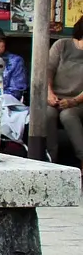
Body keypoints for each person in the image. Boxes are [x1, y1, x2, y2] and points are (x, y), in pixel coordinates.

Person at [48, 21, 83, 163]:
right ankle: (50, 159)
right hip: (54, 97)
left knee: (68, 115)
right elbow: (47, 71)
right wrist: (49, 93)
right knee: (47, 114)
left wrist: (74, 101)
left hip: (79, 101)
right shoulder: (62, 45)